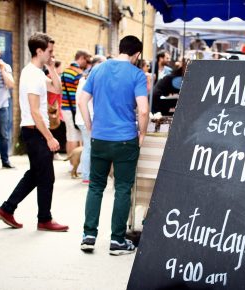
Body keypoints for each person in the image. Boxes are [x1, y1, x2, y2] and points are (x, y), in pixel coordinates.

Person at [79, 35, 149, 255]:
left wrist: (90, 127)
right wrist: (143, 133)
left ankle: (89, 236)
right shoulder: (137, 74)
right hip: (125, 139)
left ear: (120, 49)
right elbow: (144, 110)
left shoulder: (98, 69)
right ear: (136, 54)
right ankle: (117, 241)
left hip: (100, 137)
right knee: (122, 188)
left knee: (95, 186)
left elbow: (82, 100)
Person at [0, 32, 68, 232]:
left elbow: (57, 89)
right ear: (39, 51)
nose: (52, 55)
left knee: (36, 174)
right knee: (45, 176)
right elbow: (35, 111)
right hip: (35, 132)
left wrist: (52, 68)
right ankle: (44, 219)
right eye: (49, 52)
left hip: (35, 131)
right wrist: (50, 137)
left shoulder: (36, 73)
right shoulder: (32, 75)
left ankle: (7, 209)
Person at [75, 55, 106, 184]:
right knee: (89, 147)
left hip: (84, 118)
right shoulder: (90, 80)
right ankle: (87, 176)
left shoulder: (85, 79)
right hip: (86, 118)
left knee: (88, 147)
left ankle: (87, 174)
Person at [61, 50, 91, 164]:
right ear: (82, 58)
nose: (87, 63)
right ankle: (75, 164)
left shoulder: (65, 71)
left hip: (64, 106)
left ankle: (71, 164)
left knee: (70, 136)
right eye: (86, 60)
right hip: (73, 109)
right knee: (76, 137)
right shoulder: (78, 74)